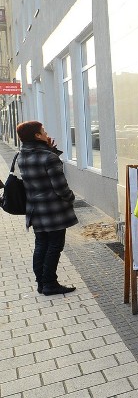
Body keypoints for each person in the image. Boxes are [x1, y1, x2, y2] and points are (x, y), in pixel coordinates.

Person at [15, 121, 78, 295]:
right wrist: (71, 198)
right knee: (55, 246)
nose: (46, 132)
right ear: (37, 135)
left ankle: (41, 283)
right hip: (53, 210)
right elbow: (60, 187)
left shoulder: (21, 155)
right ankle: (50, 283)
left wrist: (48, 149)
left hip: (35, 209)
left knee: (41, 244)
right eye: (43, 131)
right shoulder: (48, 157)